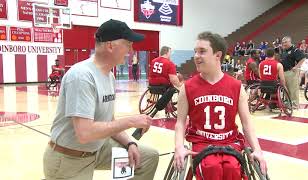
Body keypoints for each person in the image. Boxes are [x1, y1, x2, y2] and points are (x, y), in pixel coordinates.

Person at [43, 19, 159, 180]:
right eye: (128, 44)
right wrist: (130, 121)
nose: (131, 50)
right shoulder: (82, 76)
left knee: (148, 157)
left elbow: (109, 121)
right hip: (69, 159)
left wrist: (130, 143)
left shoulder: (109, 76)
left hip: (97, 149)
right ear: (111, 46)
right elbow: (85, 133)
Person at [174, 32, 267, 179]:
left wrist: (257, 150)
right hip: (202, 142)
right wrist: (179, 147)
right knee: (211, 167)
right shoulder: (187, 87)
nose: (196, 56)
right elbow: (180, 123)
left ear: (218, 55)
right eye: (195, 52)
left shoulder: (236, 86)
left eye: (202, 51)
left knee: (232, 168)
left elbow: (246, 122)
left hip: (230, 142)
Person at [281, 36, 305, 109]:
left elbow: (303, 58)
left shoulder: (295, 50)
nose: (284, 44)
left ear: (290, 42)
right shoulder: (284, 51)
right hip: (284, 72)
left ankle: (294, 104)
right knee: (286, 88)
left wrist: (296, 66)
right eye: (283, 42)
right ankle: (288, 103)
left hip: (291, 72)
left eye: (285, 42)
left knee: (293, 89)